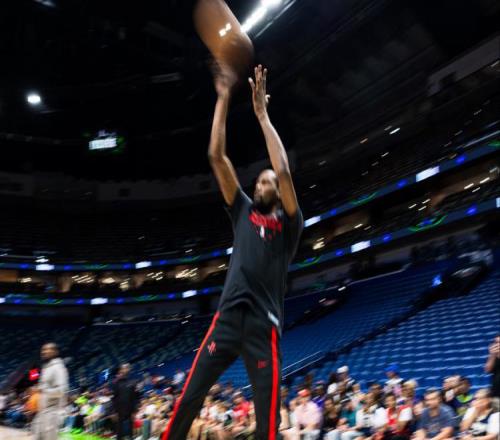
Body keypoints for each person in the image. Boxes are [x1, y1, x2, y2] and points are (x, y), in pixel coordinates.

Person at [161, 63, 303, 440]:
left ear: (278, 191)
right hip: (227, 319)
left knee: (268, 423)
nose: (261, 185)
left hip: (263, 325)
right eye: (259, 182)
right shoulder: (242, 209)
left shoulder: (291, 224)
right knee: (189, 398)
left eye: (266, 182)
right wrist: (223, 97)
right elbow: (216, 156)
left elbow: (284, 170)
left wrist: (262, 116)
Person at [32, 342, 69, 440]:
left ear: (55, 352)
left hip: (52, 414)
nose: (43, 352)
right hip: (42, 412)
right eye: (42, 350)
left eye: (47, 349)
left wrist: (42, 389)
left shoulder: (58, 368)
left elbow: (61, 391)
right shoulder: (47, 368)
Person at [112, 363, 140, 440]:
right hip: (119, 410)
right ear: (120, 370)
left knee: (130, 430)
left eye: (127, 368)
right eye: (123, 368)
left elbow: (135, 398)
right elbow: (115, 398)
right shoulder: (116, 383)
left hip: (130, 410)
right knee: (119, 430)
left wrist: (135, 411)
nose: (125, 369)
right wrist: (114, 411)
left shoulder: (133, 382)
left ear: (129, 369)